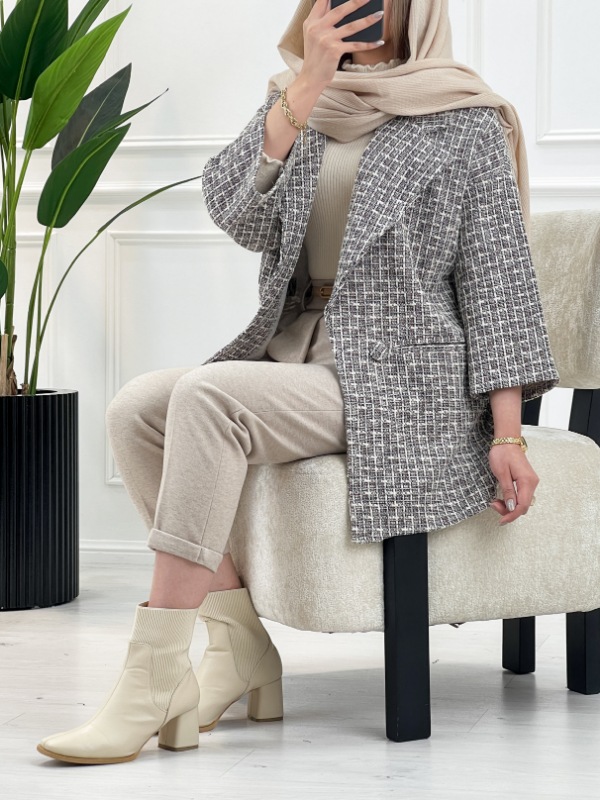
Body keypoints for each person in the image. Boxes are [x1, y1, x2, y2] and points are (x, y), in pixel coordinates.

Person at [37, 0, 560, 765]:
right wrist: (308, 84)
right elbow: (233, 211)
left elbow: (499, 284)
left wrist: (508, 433)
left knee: (209, 396)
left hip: (405, 372)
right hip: (297, 346)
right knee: (138, 409)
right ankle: (239, 649)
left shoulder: (466, 119)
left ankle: (151, 680)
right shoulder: (303, 101)